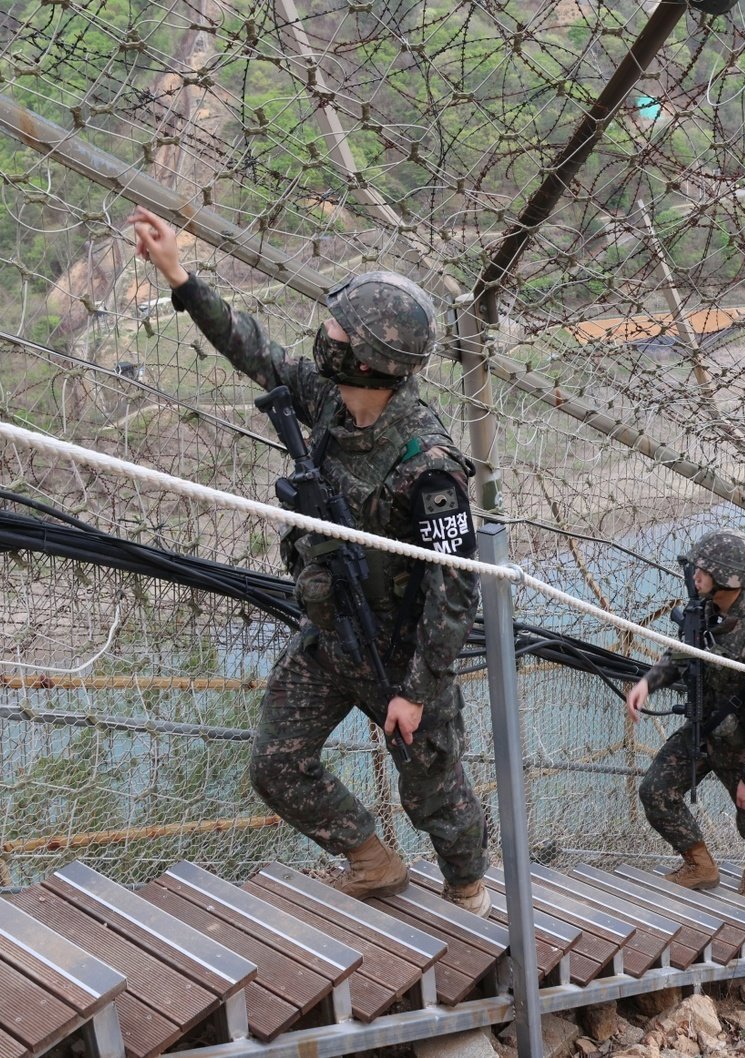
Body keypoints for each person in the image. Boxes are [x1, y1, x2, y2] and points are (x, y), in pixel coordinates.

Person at [127, 207, 491, 915]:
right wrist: (178, 274)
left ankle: (469, 896)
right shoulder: (327, 399)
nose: (322, 339)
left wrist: (416, 691)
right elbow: (253, 349)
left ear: (369, 360)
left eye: (337, 334)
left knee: (435, 798)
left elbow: (455, 589)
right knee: (277, 765)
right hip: (334, 636)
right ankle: (371, 859)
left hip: (404, 657)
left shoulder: (430, 465)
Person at [625, 530, 745, 902]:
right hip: (705, 728)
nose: (696, 575)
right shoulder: (706, 610)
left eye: (704, 570)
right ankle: (699, 864)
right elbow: (683, 653)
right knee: (656, 790)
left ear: (728, 579)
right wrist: (648, 683)